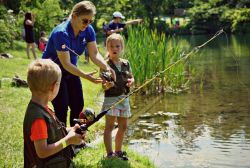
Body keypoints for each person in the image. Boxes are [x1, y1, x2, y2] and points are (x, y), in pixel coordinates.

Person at [42, 1, 115, 126]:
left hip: (71, 70)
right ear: (74, 16)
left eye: (90, 21)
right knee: (62, 106)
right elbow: (66, 64)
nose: (88, 24)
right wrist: (86, 76)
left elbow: (94, 54)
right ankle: (63, 141)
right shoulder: (61, 33)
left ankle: (75, 136)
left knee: (78, 104)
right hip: (52, 72)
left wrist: (107, 67)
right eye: (85, 21)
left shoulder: (88, 30)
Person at [23, 59, 85, 167]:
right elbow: (42, 152)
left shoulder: (43, 108)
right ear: (53, 86)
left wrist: (70, 131)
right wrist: (68, 140)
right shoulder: (38, 118)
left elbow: (50, 135)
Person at [101, 34, 134, 161]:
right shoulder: (105, 65)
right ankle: (110, 154)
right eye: (111, 46)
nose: (114, 48)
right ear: (107, 48)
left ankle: (118, 150)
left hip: (124, 98)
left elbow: (131, 77)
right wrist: (107, 85)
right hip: (111, 99)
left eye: (117, 46)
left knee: (123, 126)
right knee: (109, 126)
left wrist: (132, 81)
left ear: (122, 48)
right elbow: (104, 86)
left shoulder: (126, 63)